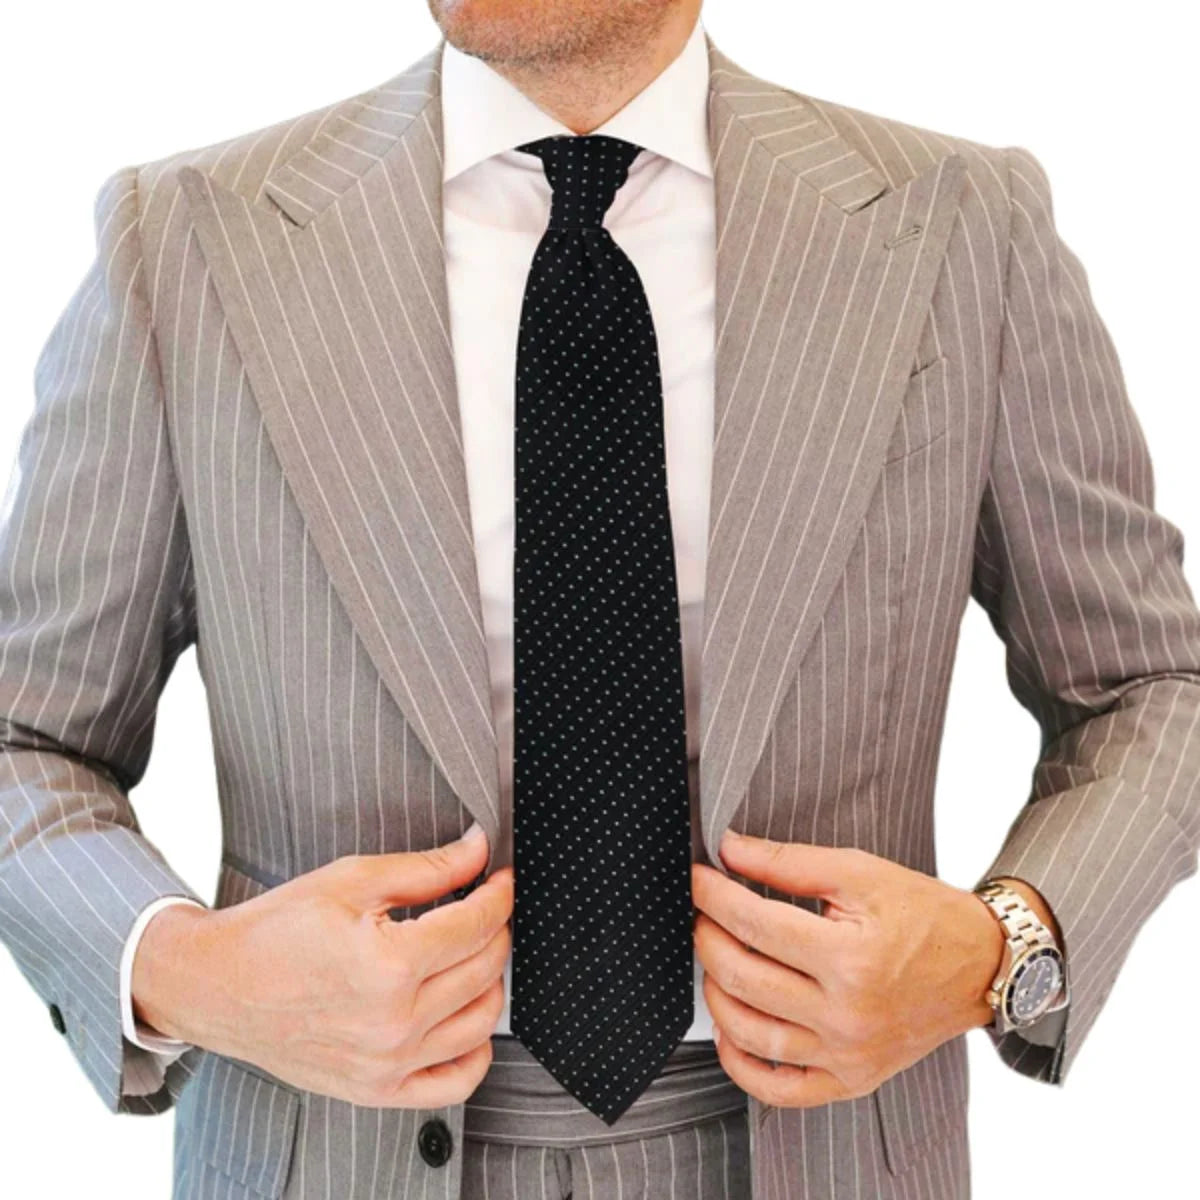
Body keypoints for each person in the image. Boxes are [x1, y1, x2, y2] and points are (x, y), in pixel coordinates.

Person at [1, 1, 1198, 1196]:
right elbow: (28, 738)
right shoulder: (185, 241)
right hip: (330, 1151)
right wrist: (193, 974)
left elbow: (1154, 688)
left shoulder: (964, 228)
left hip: (825, 1149)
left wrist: (998, 946)